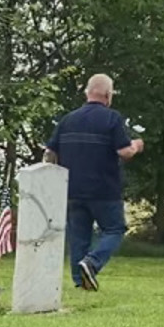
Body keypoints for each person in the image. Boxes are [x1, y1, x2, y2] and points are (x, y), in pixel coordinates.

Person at [44, 74, 143, 291]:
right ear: (108, 95)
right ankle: (92, 262)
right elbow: (124, 152)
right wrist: (136, 145)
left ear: (87, 93)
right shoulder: (112, 119)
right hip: (104, 189)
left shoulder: (67, 120)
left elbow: (50, 153)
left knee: (78, 237)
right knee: (115, 229)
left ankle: (81, 282)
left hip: (72, 189)